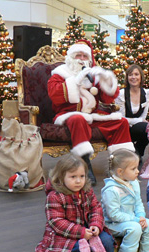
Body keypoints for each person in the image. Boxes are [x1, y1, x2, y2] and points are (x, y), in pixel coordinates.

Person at [48, 40, 135, 185]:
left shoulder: (92, 75)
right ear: (71, 57)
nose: (81, 59)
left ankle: (121, 165)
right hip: (68, 115)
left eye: (85, 56)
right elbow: (54, 96)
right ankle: (84, 165)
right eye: (78, 55)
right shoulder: (59, 74)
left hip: (92, 116)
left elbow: (107, 100)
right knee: (78, 119)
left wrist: (106, 79)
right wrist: (75, 80)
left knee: (121, 122)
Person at [35, 154, 115, 252]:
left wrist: (96, 225)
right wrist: (81, 232)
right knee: (76, 249)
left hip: (87, 227)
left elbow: (96, 208)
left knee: (107, 240)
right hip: (65, 233)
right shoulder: (54, 196)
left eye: (82, 176)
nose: (78, 181)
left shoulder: (86, 190)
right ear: (60, 177)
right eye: (73, 177)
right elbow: (57, 222)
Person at [115, 65, 149, 160]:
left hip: (137, 127)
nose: (133, 77)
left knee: (147, 128)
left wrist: (140, 121)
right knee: (142, 125)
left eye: (136, 74)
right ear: (127, 78)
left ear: (141, 77)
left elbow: (144, 117)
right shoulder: (122, 94)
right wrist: (138, 120)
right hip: (123, 127)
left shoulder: (146, 93)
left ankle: (138, 152)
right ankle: (130, 152)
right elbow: (121, 118)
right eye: (130, 75)